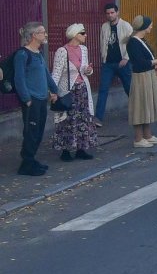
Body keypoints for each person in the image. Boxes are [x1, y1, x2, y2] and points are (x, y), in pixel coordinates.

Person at [13, 22, 58, 174]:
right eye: (42, 32)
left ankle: (31, 159)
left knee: (38, 130)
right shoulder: (22, 54)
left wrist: (54, 90)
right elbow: (19, 79)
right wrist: (27, 99)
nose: (45, 35)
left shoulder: (38, 53)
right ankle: (26, 164)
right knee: (31, 132)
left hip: (41, 99)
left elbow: (45, 74)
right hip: (31, 100)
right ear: (34, 35)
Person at [51, 24, 98, 162]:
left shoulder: (84, 49)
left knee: (83, 118)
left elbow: (83, 69)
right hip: (68, 91)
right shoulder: (62, 51)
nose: (85, 35)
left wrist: (88, 70)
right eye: (83, 33)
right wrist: (53, 92)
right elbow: (56, 73)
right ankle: (65, 150)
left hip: (82, 89)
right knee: (67, 119)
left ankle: (81, 148)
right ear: (75, 34)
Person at [126, 16, 157, 149]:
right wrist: (155, 62)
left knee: (148, 105)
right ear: (143, 26)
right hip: (140, 78)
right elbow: (139, 62)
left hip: (148, 75)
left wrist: (154, 65)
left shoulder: (141, 40)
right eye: (150, 25)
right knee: (140, 106)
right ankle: (138, 138)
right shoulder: (133, 42)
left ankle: (147, 135)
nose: (151, 27)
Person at [96, 3, 132, 126]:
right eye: (108, 13)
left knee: (130, 89)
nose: (110, 15)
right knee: (103, 90)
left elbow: (131, 43)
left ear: (117, 12)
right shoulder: (104, 26)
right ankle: (98, 118)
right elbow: (102, 43)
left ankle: (136, 114)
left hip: (123, 62)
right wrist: (103, 57)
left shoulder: (126, 25)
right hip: (108, 63)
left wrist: (126, 58)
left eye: (112, 12)